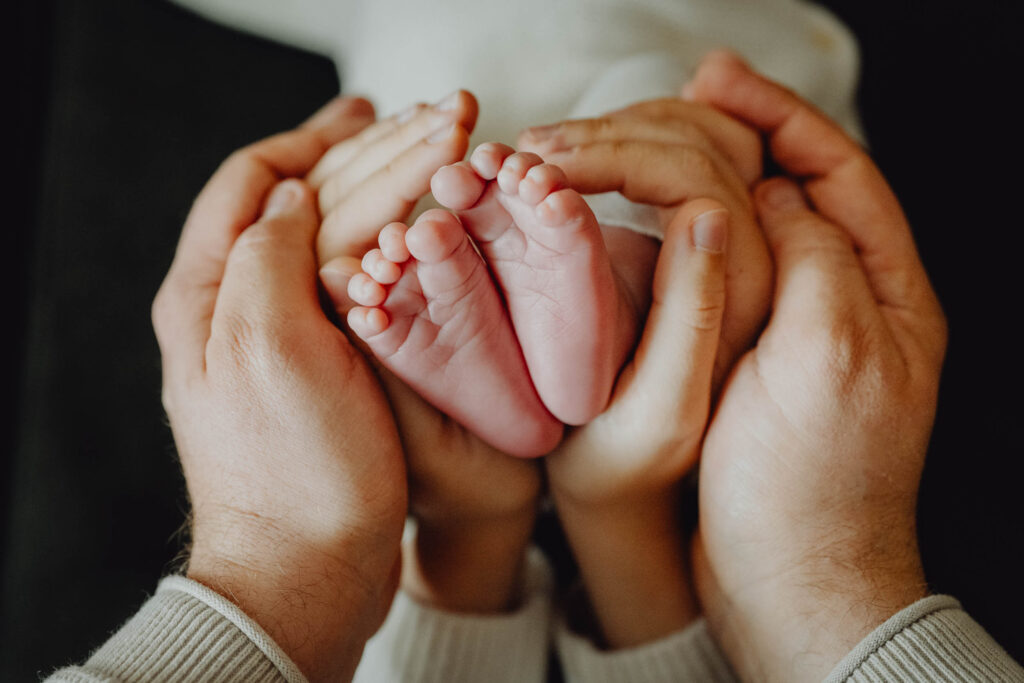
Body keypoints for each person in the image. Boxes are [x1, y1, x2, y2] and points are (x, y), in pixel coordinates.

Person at [48, 55, 1023, 682]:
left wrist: (415, 530)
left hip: (460, 120)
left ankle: (582, 314)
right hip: (544, 128)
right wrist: (798, 562)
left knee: (406, 233)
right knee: (705, 164)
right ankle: (607, 306)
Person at [167, 0, 858, 440]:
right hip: (619, 81)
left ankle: (571, 305)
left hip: (446, 102)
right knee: (651, 121)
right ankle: (598, 300)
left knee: (436, 154)